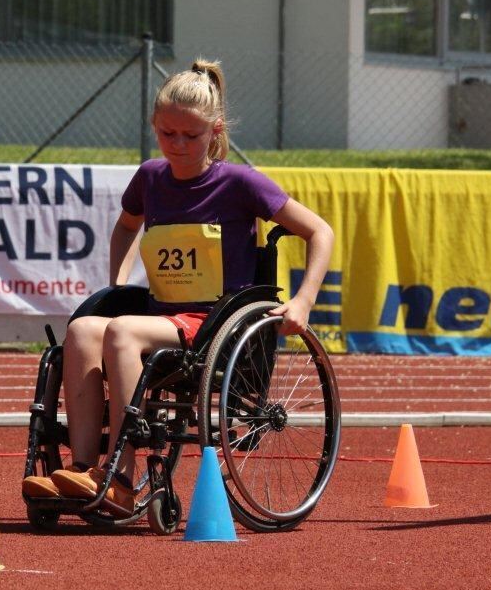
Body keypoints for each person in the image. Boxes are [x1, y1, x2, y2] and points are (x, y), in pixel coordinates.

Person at [22, 59, 334, 517]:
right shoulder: (151, 177)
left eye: (191, 135)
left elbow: (319, 232)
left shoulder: (239, 182)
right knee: (85, 329)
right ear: (155, 127)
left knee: (122, 332)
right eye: (168, 134)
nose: (179, 145)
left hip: (216, 322)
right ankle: (84, 468)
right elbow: (127, 227)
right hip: (163, 314)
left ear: (215, 130)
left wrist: (303, 301)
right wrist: (117, 283)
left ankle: (122, 475)